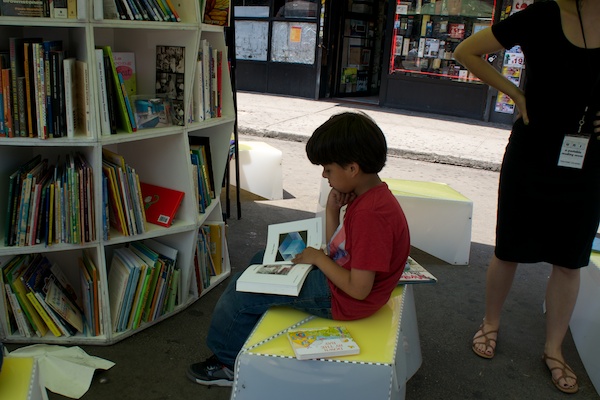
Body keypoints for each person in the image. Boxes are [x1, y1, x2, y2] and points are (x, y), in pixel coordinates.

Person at [187, 112, 410, 387]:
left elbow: (359, 288)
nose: (324, 175)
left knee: (243, 291)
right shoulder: (368, 197)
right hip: (342, 287)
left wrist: (317, 258)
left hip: (345, 300)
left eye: (328, 169)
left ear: (352, 168)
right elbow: (338, 252)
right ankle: (243, 337)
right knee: (260, 261)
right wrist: (332, 210)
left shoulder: (370, 214)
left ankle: (226, 363)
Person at [454, 0, 600, 394]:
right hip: (533, 151)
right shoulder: (542, 15)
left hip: (590, 158)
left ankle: (554, 349)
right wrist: (516, 95)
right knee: (509, 249)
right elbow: (466, 51)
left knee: (570, 260)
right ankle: (490, 323)